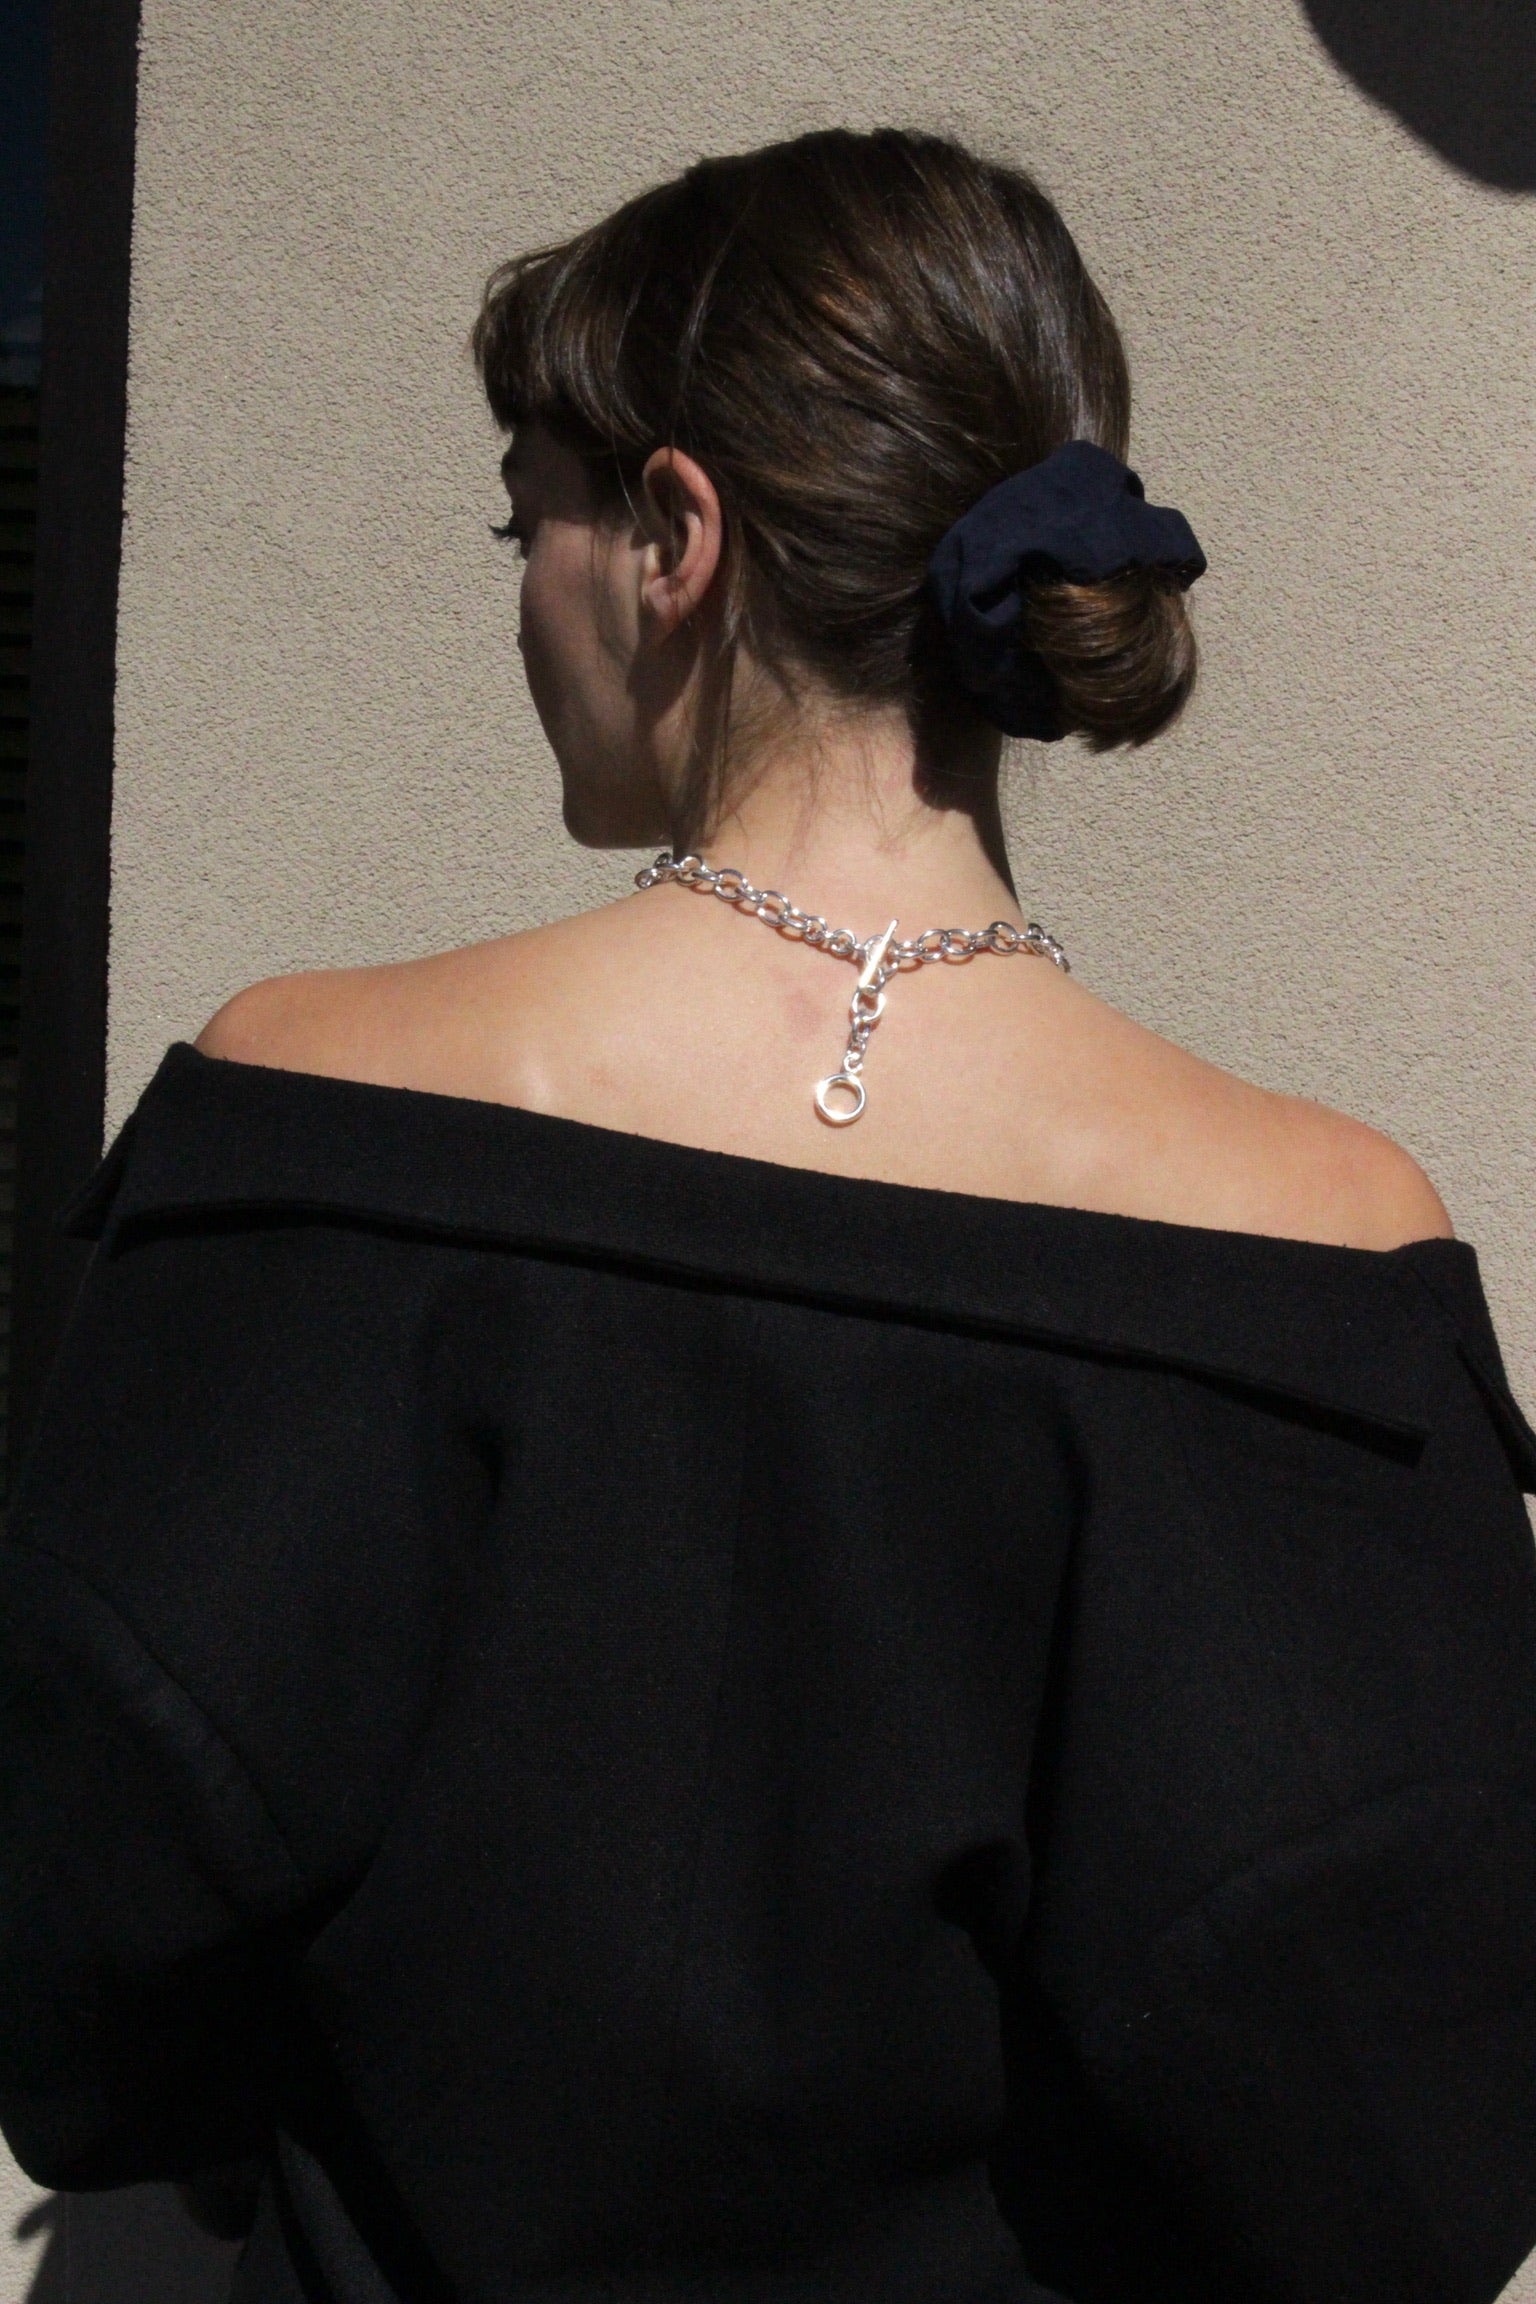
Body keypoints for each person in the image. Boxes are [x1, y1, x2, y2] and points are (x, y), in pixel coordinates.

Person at [3, 125, 1535, 2304]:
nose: (520, 598)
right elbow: (1397, 2163)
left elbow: (85, 1970)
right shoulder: (1330, 1256)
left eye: (525, 520)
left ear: (673, 535)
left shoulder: (310, 1116)